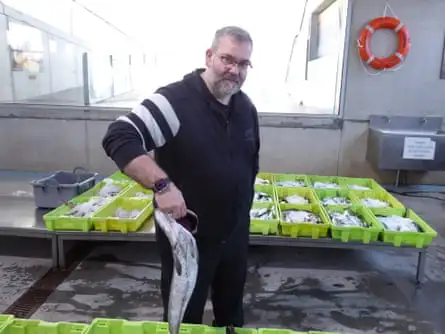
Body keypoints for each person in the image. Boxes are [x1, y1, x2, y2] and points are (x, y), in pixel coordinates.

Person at [102, 26, 260, 327]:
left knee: (231, 317)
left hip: (235, 236)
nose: (234, 70)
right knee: (185, 320)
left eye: (243, 64)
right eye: (227, 59)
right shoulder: (174, 101)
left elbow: (248, 166)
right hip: (190, 239)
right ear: (209, 56)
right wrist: (162, 185)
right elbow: (119, 136)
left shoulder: (245, 107)